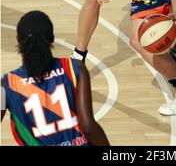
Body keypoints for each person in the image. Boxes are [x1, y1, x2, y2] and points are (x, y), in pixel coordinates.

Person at [1, 11, 110, 146]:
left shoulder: (5, 86)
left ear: (18, 40)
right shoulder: (75, 68)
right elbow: (88, 127)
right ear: (52, 38)